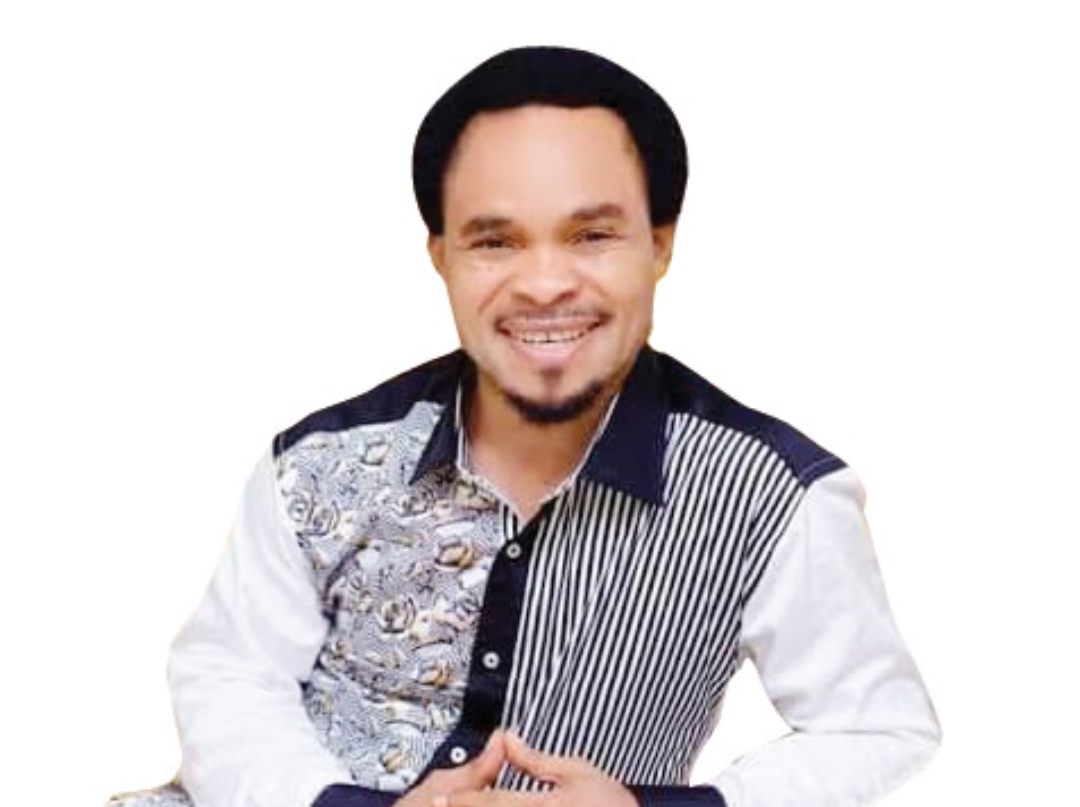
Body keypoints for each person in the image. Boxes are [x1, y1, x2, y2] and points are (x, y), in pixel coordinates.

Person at [107, 45, 940, 807]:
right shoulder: (320, 462)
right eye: (495, 242)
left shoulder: (777, 496)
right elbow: (228, 674)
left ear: (660, 245)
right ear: (441, 255)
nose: (544, 284)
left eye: (592, 235)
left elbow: (873, 725)